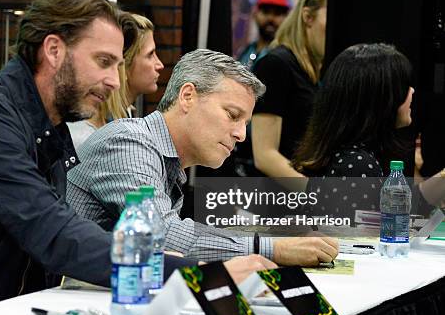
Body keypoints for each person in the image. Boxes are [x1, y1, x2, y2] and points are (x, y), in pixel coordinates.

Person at [0, 0, 275, 315]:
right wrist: (189, 274)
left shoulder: (43, 127)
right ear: (54, 51)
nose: (115, 81)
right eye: (104, 61)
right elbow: (52, 233)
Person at [67, 49, 339, 265]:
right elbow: (163, 235)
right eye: (233, 115)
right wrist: (273, 248)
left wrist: (270, 238)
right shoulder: (129, 142)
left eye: (245, 122)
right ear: (187, 96)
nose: (241, 135)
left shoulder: (162, 157)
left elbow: (184, 233)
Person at [292, 43, 445, 219]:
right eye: (403, 87)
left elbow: (405, 205)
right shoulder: (357, 165)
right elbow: (364, 241)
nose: (412, 91)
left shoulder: (351, 155)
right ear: (382, 99)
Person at [251, 0, 327, 187]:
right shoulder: (276, 65)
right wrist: (315, 194)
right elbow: (265, 155)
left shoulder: (316, 69)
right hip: (281, 205)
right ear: (308, 17)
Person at [68, 14, 164, 148]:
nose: (160, 65)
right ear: (124, 66)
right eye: (150, 54)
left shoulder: (126, 117)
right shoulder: (84, 137)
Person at [237, 0, 290, 69]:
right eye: (266, 12)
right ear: (255, 14)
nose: (270, 18)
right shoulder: (246, 50)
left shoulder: (288, 56)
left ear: (287, 18)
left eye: (277, 13)